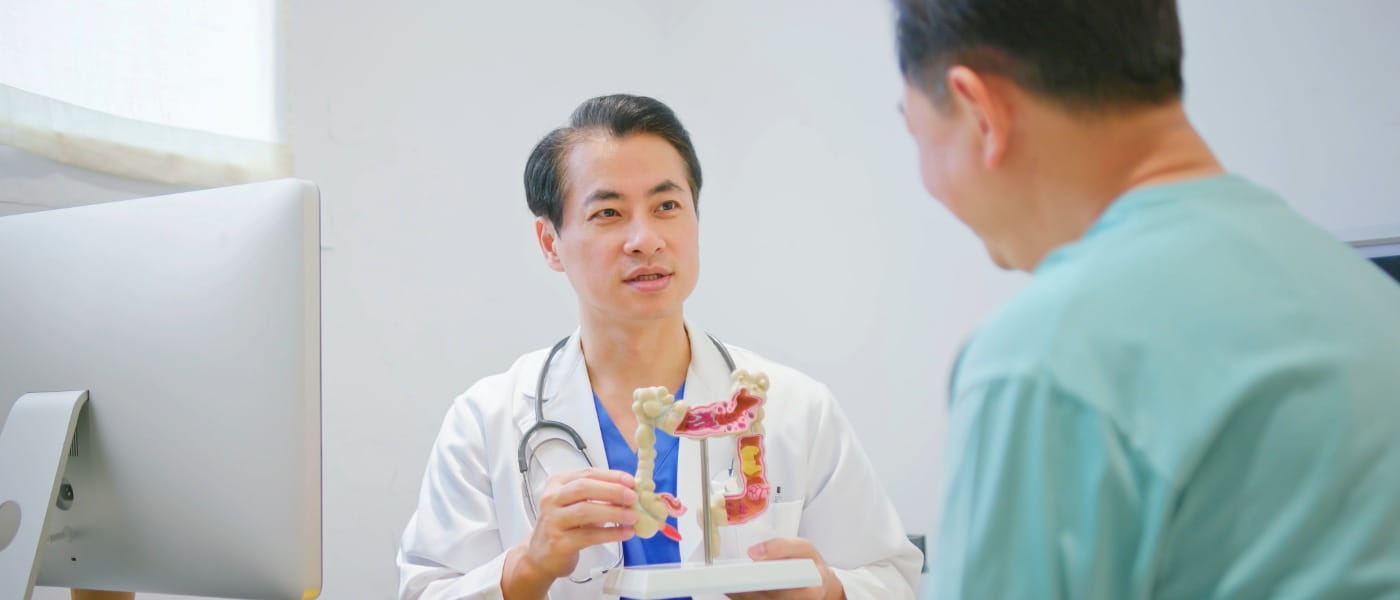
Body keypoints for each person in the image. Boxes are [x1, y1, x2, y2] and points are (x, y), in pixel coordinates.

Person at [892, 0, 1400, 597]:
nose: (928, 181)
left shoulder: (1044, 359)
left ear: (981, 111)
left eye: (917, 133)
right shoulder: (1368, 297)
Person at [397, 94, 921, 600]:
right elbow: (424, 591)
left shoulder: (796, 410)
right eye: (608, 213)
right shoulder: (484, 422)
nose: (645, 239)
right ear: (549, 243)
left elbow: (894, 578)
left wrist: (829, 592)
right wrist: (525, 568)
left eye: (667, 205)